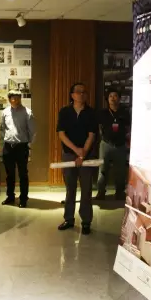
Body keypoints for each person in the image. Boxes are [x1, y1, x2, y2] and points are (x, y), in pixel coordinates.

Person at [56, 82, 98, 235]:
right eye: (78, 91)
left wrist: (82, 154)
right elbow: (61, 134)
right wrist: (76, 150)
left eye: (84, 92)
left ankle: (86, 221)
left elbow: (91, 135)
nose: (82, 94)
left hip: (87, 156)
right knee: (70, 188)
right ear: (72, 95)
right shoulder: (65, 112)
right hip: (69, 154)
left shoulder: (91, 112)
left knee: (86, 190)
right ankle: (69, 219)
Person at [0, 90, 35, 208]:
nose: (15, 100)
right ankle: (10, 196)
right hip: (8, 146)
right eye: (13, 98)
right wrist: (8, 138)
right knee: (9, 174)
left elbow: (32, 131)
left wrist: (28, 143)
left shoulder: (27, 112)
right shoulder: (5, 112)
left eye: (18, 98)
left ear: (20, 98)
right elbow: (3, 128)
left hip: (21, 146)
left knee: (23, 174)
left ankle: (23, 198)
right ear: (9, 99)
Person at [97, 89, 131, 200]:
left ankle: (119, 192)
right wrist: (103, 138)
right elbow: (99, 127)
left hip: (120, 145)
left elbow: (128, 128)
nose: (112, 98)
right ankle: (101, 192)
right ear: (107, 99)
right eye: (110, 96)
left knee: (120, 171)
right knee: (102, 169)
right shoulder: (103, 113)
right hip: (106, 144)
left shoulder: (125, 112)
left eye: (115, 96)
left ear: (119, 99)